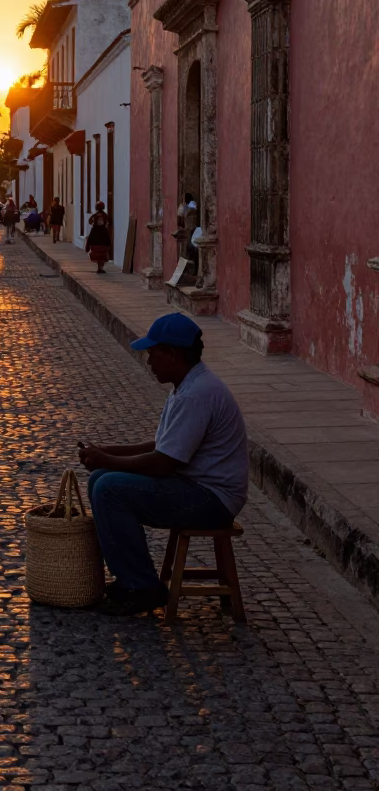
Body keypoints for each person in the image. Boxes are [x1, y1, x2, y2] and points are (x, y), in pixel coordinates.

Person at [79, 313, 248, 616]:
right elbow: (163, 445)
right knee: (101, 478)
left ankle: (142, 587)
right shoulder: (186, 386)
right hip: (196, 486)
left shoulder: (196, 395)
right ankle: (132, 578)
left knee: (107, 488)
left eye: (153, 354)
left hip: (212, 499)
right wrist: (107, 453)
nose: (149, 362)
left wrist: (110, 460)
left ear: (172, 354)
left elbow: (163, 464)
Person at [85, 201, 111, 272]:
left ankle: (99, 268)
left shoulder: (94, 216)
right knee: (102, 254)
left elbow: (90, 222)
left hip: (95, 238)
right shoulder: (105, 216)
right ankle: (100, 268)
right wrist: (109, 243)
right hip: (103, 237)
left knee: (97, 254)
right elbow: (108, 222)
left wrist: (87, 246)